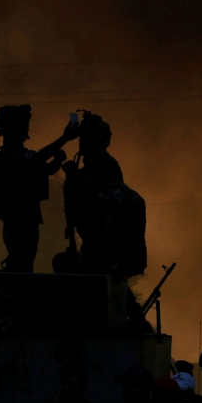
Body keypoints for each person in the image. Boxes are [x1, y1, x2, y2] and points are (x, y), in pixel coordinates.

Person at [0, 104, 78, 271]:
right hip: (18, 221)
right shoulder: (9, 154)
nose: (27, 127)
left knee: (25, 263)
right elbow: (37, 160)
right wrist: (65, 138)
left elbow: (42, 169)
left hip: (25, 219)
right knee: (21, 264)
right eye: (24, 123)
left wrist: (57, 161)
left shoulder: (12, 155)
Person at [58, 111, 147, 278]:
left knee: (62, 263)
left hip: (101, 259)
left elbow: (74, 217)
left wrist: (71, 180)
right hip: (124, 261)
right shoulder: (114, 175)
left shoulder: (85, 179)